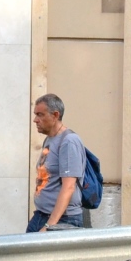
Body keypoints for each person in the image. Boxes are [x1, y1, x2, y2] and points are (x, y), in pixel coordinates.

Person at [30, 93, 85, 233]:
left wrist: (49, 226)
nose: (35, 120)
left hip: (62, 221)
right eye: (35, 114)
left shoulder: (69, 141)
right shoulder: (50, 139)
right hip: (41, 215)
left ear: (55, 115)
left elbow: (69, 187)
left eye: (40, 115)